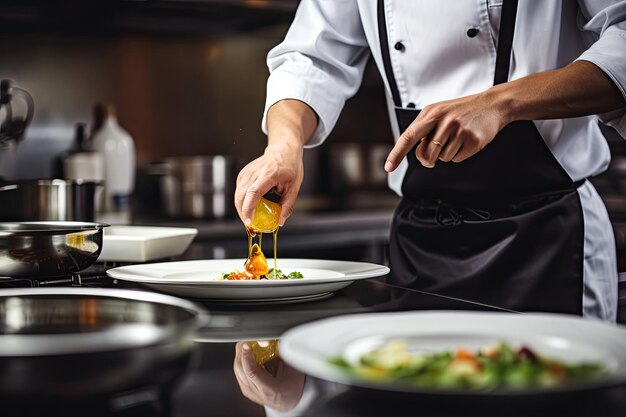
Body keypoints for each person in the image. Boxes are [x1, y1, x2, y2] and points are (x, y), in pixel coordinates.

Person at [234, 0, 626, 322]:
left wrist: (502, 102)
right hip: (421, 242)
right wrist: (284, 145)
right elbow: (311, 59)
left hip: (548, 240)